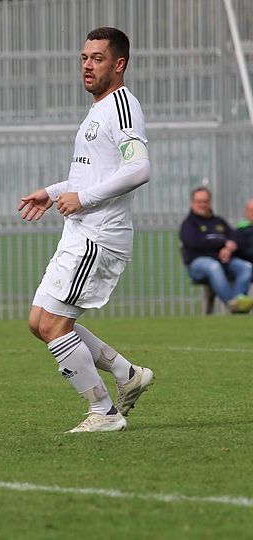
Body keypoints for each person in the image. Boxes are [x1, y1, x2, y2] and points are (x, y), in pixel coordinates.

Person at [17, 27, 154, 433]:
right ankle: (127, 373)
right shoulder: (98, 110)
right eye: (84, 58)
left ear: (119, 64)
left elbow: (139, 168)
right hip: (79, 231)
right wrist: (53, 192)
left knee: (53, 325)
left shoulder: (122, 106)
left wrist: (85, 199)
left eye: (97, 58)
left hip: (99, 236)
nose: (88, 66)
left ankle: (104, 412)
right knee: (38, 322)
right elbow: (91, 174)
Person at [179, 187, 253, 313]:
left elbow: (234, 237)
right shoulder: (188, 224)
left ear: (209, 202)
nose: (202, 204)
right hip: (198, 264)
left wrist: (228, 248)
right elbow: (196, 243)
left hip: (224, 260)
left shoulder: (219, 221)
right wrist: (222, 243)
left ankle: (237, 301)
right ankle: (233, 304)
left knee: (246, 267)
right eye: (199, 201)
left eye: (205, 201)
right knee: (213, 266)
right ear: (192, 203)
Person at [234, 198, 253, 264]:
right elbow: (241, 251)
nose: (252, 212)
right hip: (247, 262)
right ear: (246, 212)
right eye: (250, 210)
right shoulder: (241, 229)